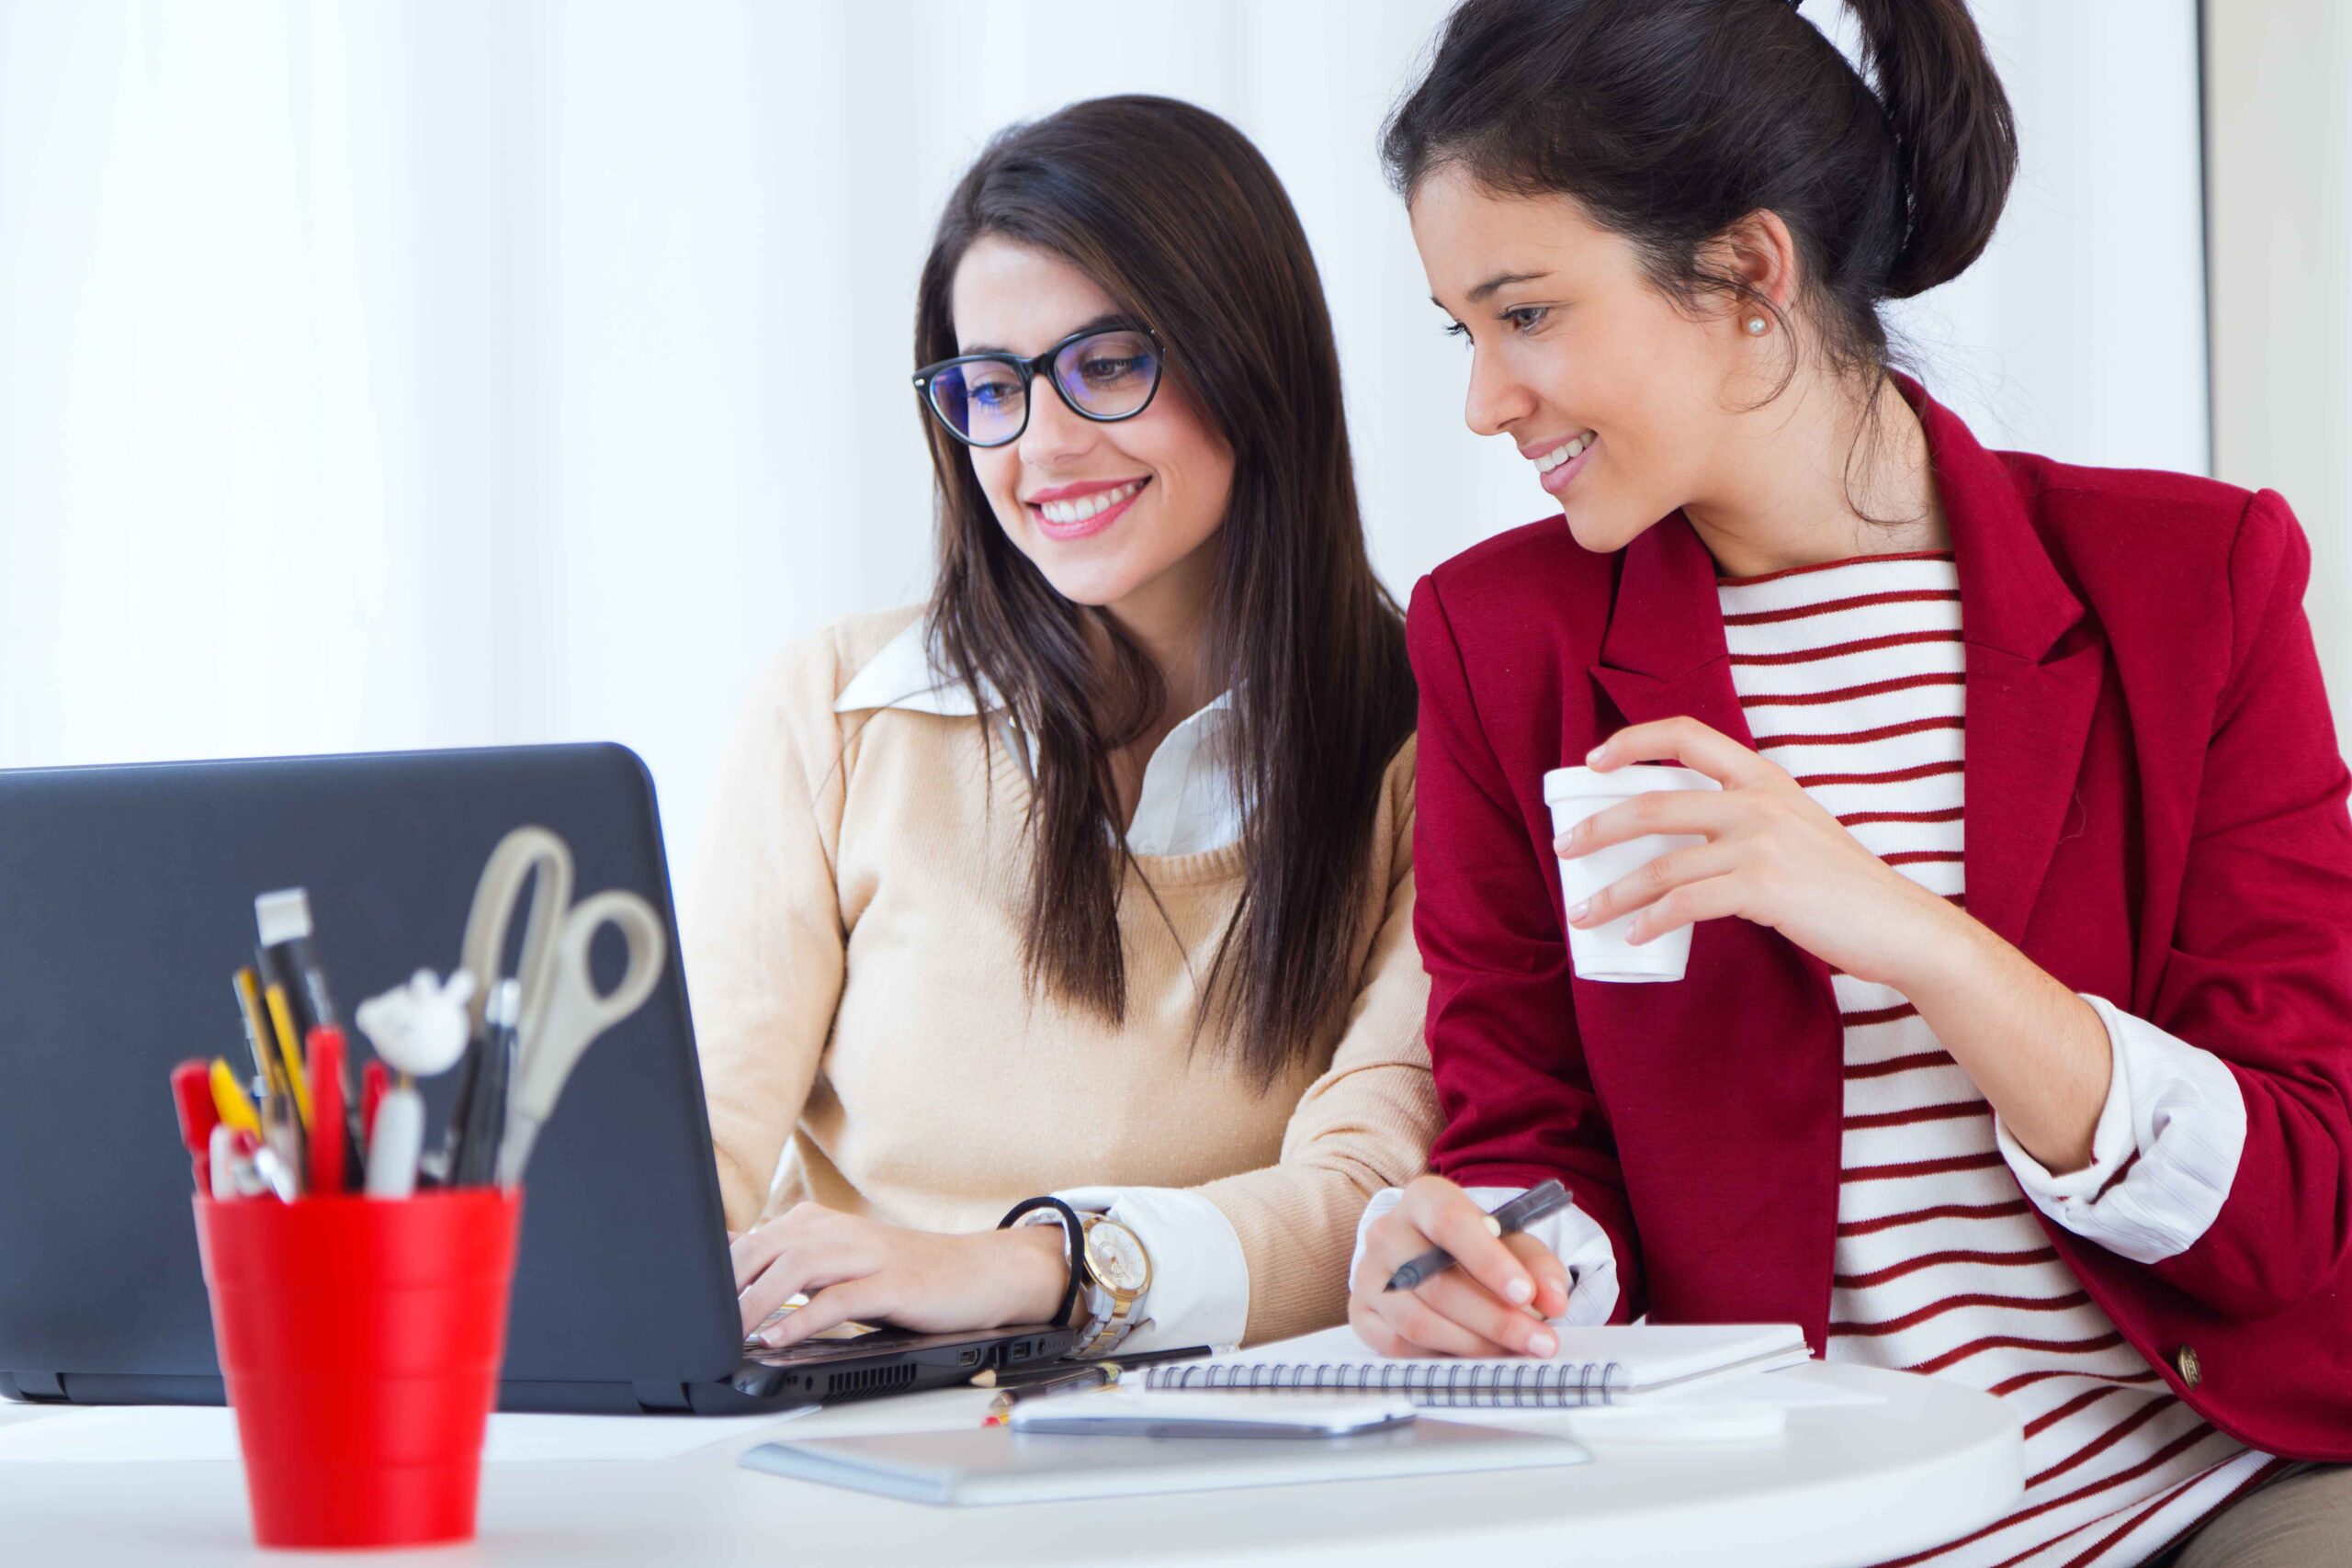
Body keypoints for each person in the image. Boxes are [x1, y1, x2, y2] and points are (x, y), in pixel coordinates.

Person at [1345, 2, 2352, 1564]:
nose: (1486, 399)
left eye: (1527, 314)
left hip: (2207, 1497)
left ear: (1749, 275)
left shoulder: (2193, 581)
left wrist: (1913, 934)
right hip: (1791, 1519)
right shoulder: (1501, 640)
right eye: (1461, 331)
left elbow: (2294, 1201)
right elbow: (1529, 1131)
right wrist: (1485, 1259)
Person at [686, 95, 1434, 1363]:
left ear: (1251, 357)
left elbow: (1368, 1201)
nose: (1042, 445)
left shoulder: (1424, 736)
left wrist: (1027, 1267)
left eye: (1106, 365)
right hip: (845, 1439)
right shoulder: (840, 711)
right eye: (989, 387)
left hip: (1213, 1460)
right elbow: (691, 1141)